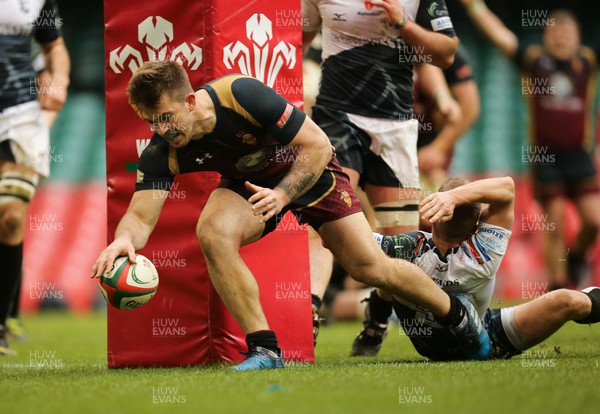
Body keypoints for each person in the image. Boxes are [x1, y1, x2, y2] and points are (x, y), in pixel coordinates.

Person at [91, 61, 493, 371]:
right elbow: (140, 219)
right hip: (250, 186)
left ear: (190, 101)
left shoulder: (240, 94)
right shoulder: (162, 151)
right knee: (213, 232)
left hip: (309, 171)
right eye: (150, 122)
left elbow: (317, 146)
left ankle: (457, 316)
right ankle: (265, 348)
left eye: (165, 117)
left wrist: (283, 194)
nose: (161, 130)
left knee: (369, 268)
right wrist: (124, 240)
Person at [302, 0, 459, 343]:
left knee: (399, 246)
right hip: (336, 116)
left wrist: (403, 22)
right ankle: (308, 314)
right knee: (323, 223)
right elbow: (299, 39)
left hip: (396, 126)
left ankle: (378, 312)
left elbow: (446, 53)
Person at [351, 176, 600, 360]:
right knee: (569, 301)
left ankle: (374, 327)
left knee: (387, 268)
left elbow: (350, 239)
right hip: (487, 334)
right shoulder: (484, 252)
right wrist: (455, 198)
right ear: (475, 227)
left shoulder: (407, 248)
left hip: (454, 334)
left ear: (433, 219)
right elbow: (506, 189)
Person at [459, 2, 600, 290]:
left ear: (578, 37)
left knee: (594, 221)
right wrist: (473, 7)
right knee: (555, 225)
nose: (561, 37)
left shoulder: (587, 61)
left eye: (567, 32)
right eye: (555, 31)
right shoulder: (534, 61)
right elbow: (500, 35)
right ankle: (558, 286)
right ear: (546, 36)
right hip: (547, 158)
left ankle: (576, 259)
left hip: (580, 156)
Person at [0, 0, 70, 356]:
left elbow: (53, 46)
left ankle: (1, 324)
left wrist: (55, 93)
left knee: (11, 215)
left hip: (18, 112)